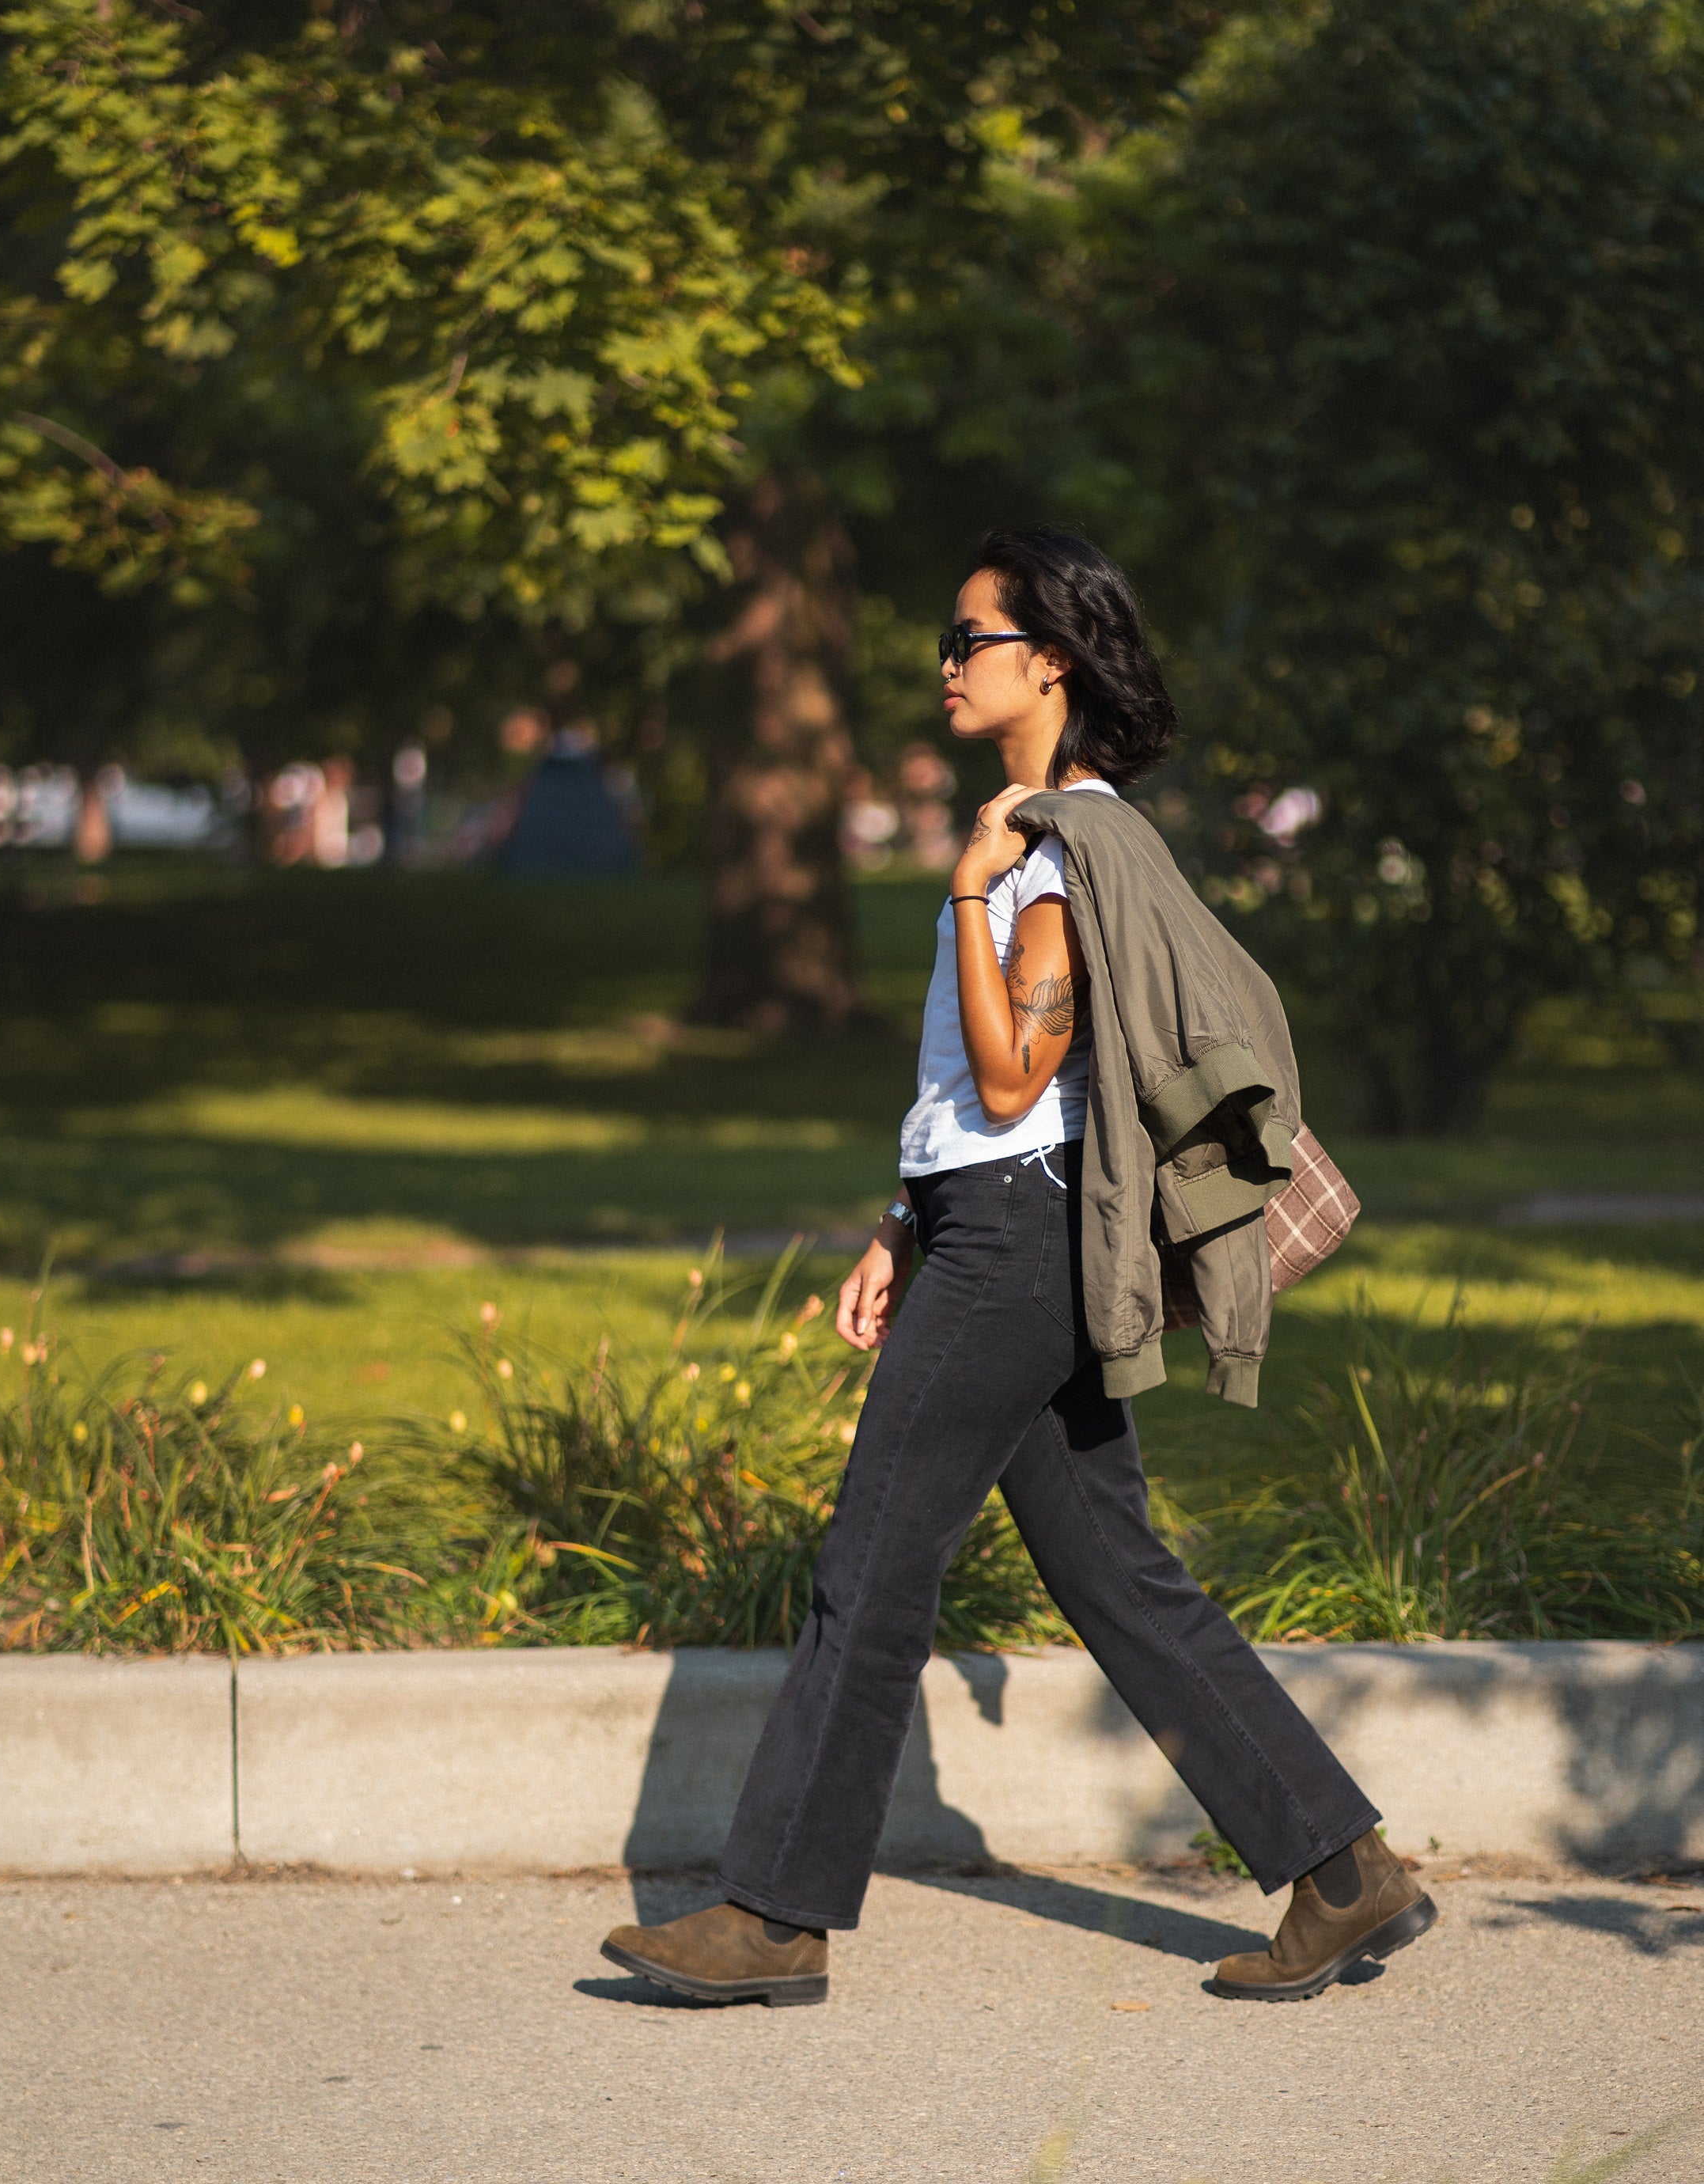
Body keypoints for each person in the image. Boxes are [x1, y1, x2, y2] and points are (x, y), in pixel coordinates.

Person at [602, 525, 1436, 2008]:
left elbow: (1009, 1079)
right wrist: (895, 1223)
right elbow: (1002, 1105)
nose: (944, 662)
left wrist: (968, 893)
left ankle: (775, 1916)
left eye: (968, 637)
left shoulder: (1054, 845)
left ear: (1048, 659)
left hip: (1017, 1239)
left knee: (869, 1568)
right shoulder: (1043, 833)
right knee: (1114, 1571)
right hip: (994, 1225)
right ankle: (1340, 1872)